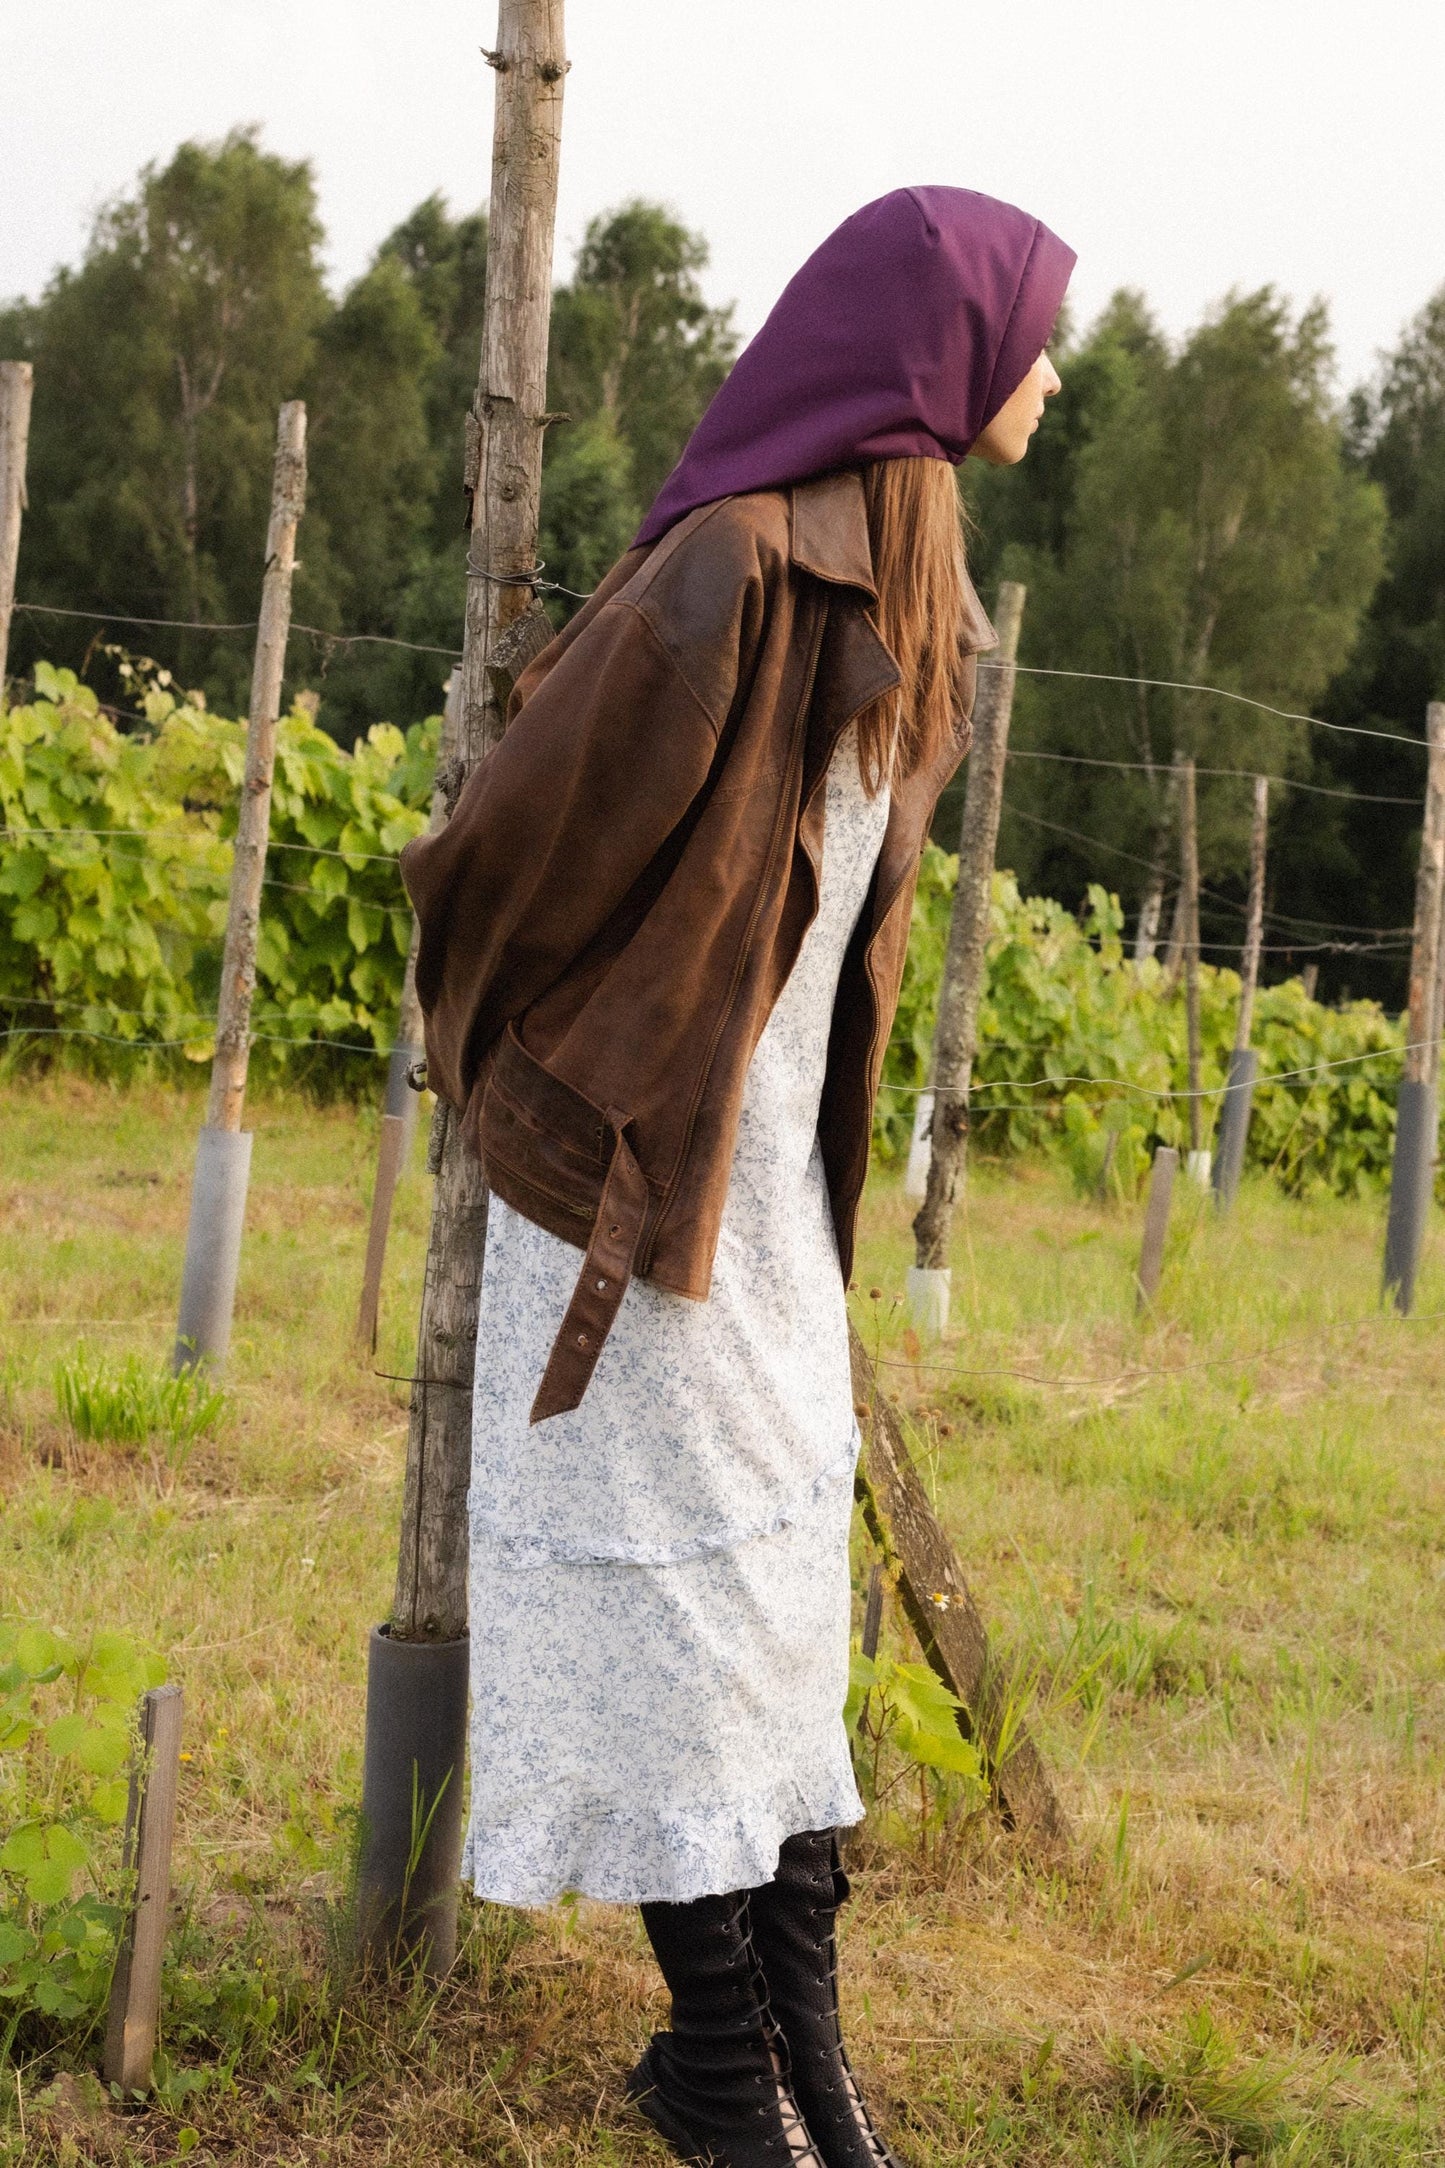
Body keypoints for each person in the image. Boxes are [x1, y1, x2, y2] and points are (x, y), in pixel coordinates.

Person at [402, 184, 1072, 2168]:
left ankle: (789, 2066)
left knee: (782, 1639)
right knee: (693, 1651)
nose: (1051, 369)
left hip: (766, 1204)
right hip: (635, 1195)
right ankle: (722, 2067)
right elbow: (504, 850)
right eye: (1030, 332)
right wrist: (570, 1075)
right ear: (942, 359)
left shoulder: (918, 601)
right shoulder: (729, 570)